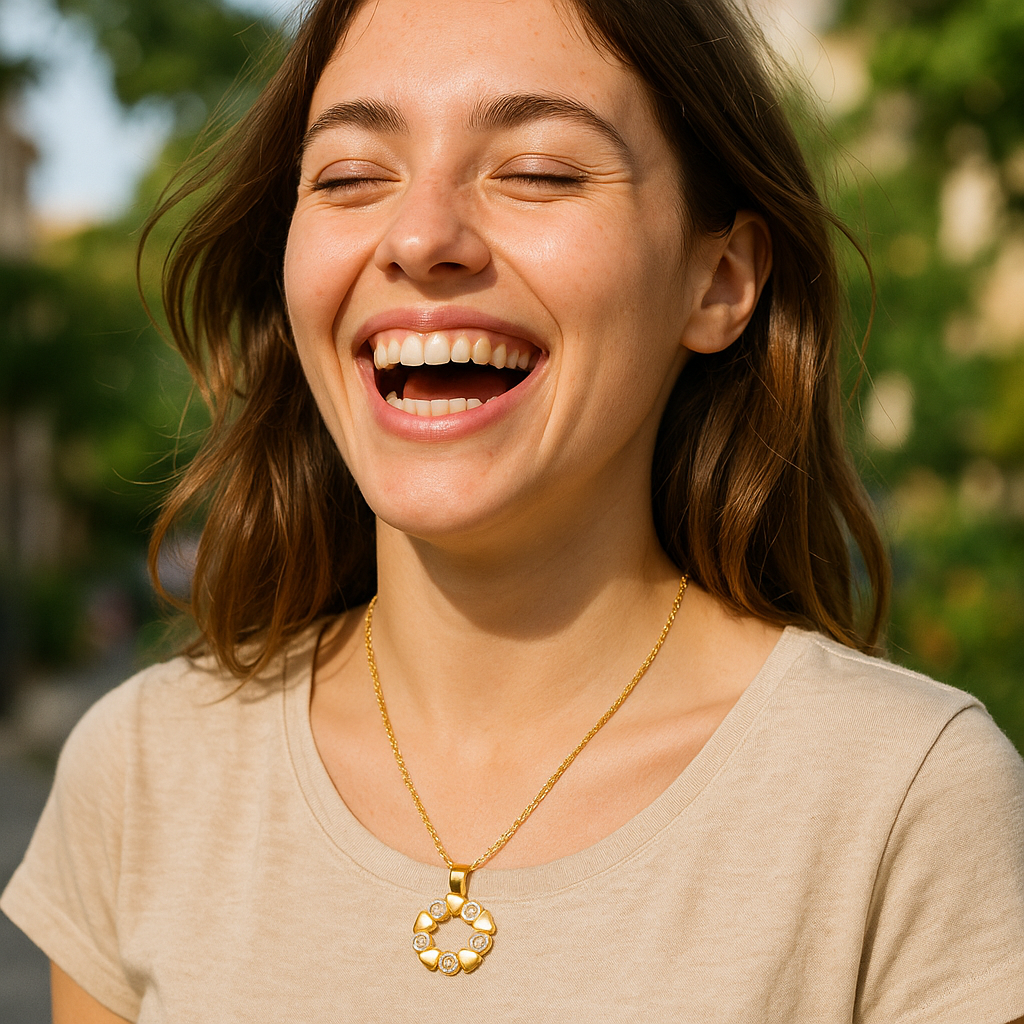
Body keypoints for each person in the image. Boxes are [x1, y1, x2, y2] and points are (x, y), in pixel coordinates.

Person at [3, 0, 1023, 1019]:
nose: (419, 236)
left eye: (537, 170)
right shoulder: (143, 771)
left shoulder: (904, 805)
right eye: (351, 175)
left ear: (717, 279)